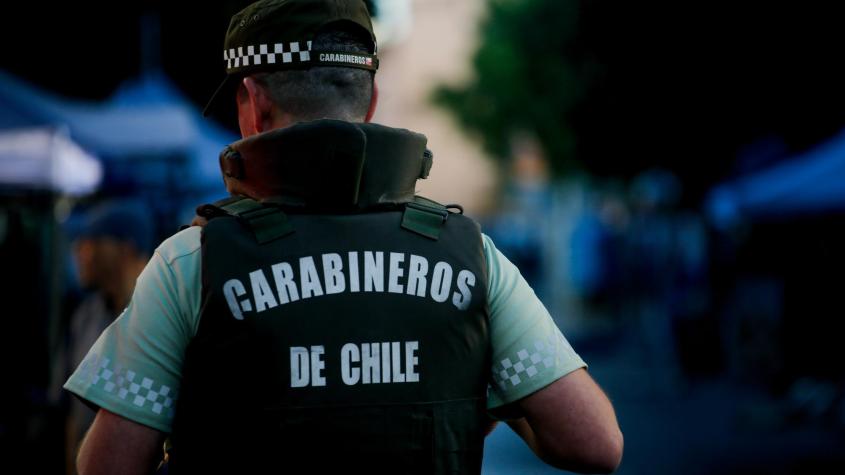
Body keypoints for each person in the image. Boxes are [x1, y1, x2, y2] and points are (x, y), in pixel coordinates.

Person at [64, 1, 623, 473]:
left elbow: (105, 468)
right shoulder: (469, 252)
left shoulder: (193, 260)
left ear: (254, 104)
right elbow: (595, 444)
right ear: (371, 101)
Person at [49, 200, 154, 474]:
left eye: (90, 243)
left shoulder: (162, 316)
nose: (78, 252)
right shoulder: (85, 316)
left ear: (125, 249)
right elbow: (69, 409)